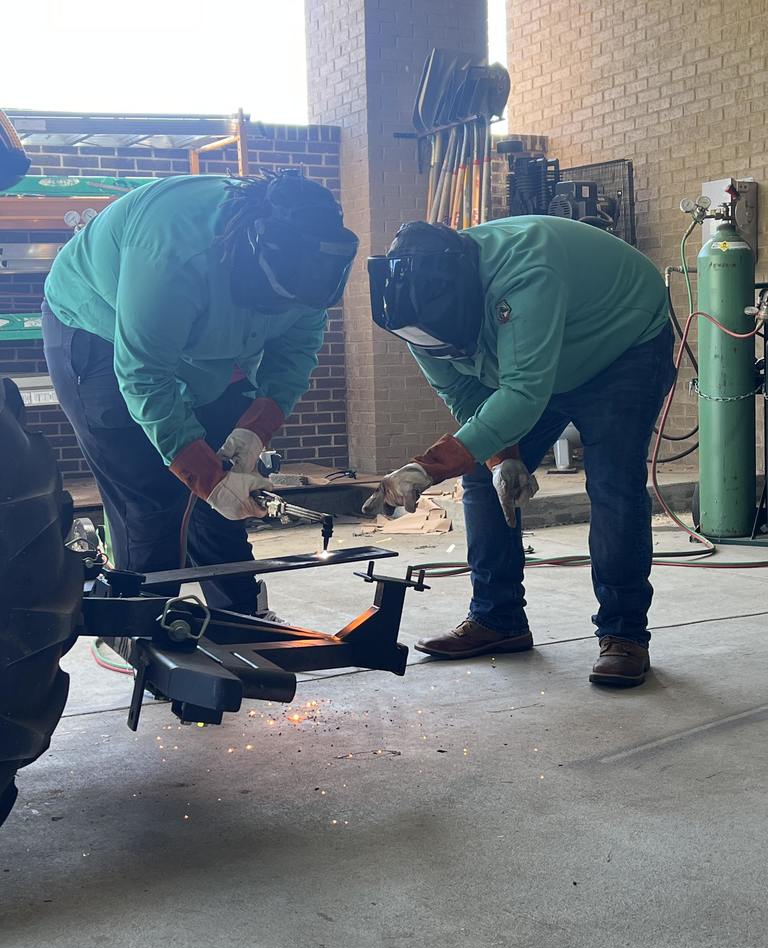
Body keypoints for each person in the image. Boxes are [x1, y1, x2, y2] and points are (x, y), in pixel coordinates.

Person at [364, 217, 675, 687]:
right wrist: (501, 456)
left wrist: (427, 468)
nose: (438, 350)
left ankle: (624, 634)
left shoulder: (526, 272)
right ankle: (498, 619)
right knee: (479, 479)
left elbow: (525, 392)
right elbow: (466, 398)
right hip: (537, 359)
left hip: (621, 344)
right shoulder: (413, 314)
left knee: (613, 483)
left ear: (471, 296)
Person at [42, 170, 358, 614]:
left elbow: (293, 358)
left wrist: (253, 433)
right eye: (279, 298)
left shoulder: (311, 279)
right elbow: (145, 374)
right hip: (99, 329)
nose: (290, 308)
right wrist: (203, 477)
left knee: (226, 499)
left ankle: (239, 624)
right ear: (252, 253)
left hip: (208, 348)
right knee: (151, 505)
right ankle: (152, 641)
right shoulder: (176, 252)